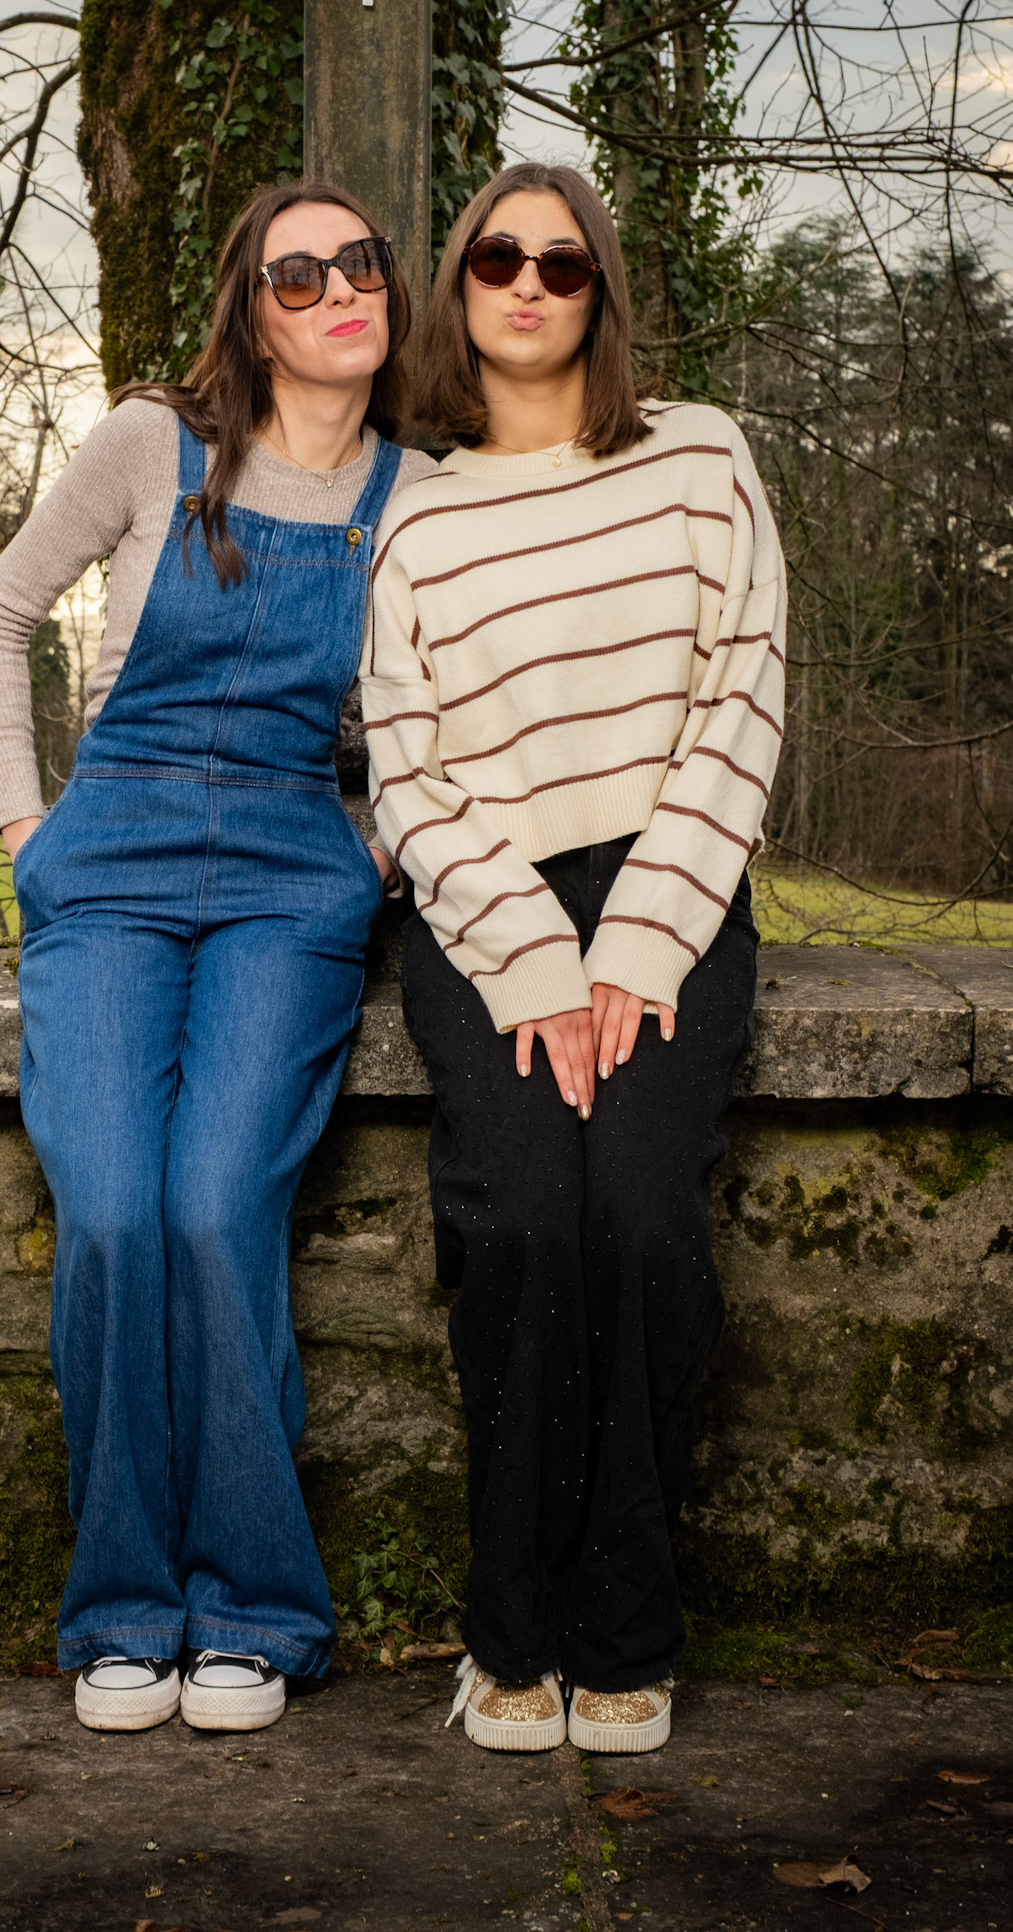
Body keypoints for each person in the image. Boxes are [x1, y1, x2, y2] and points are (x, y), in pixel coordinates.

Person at [0, 181, 436, 1735]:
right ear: (253, 312)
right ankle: (119, 1606)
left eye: (359, 264)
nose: (336, 290)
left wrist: (380, 851)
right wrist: (27, 826)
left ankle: (250, 1607)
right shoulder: (149, 445)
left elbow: (459, 700)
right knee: (110, 1208)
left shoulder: (417, 496)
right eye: (297, 275)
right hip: (110, 857)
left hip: (293, 876)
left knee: (217, 1205)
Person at [362, 161, 786, 1755]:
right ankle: (509, 1631)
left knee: (641, 1222)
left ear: (599, 287)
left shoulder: (697, 456)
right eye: (495, 259)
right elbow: (408, 769)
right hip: (487, 908)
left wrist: (642, 936)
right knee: (526, 1217)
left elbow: (738, 700)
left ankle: (626, 1628)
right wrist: (537, 962)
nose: (527, 285)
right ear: (457, 287)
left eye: (561, 262)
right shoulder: (418, 511)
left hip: (674, 886)